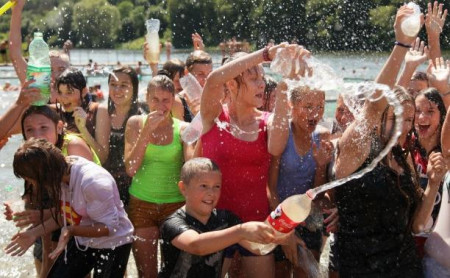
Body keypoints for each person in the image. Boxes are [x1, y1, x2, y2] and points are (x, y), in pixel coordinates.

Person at [334, 6, 447, 277]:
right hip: (360, 267)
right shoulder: (357, 147)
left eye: (409, 119)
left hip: (405, 266)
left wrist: (432, 184)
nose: (404, 125)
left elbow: (417, 225)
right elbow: (373, 108)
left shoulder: (402, 156)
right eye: (396, 116)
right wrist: (402, 45)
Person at [197, 42, 308, 277]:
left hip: (256, 226)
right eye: (254, 78)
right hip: (213, 225)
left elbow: (276, 147)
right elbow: (213, 80)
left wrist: (287, 81)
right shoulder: (213, 117)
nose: (262, 84)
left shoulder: (267, 121)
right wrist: (265, 55)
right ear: (231, 84)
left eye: (263, 77)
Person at [5, 138, 134, 278]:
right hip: (84, 239)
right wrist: (33, 233)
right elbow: (64, 216)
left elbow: (110, 228)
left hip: (114, 244)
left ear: (45, 175)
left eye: (31, 180)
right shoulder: (61, 174)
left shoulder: (94, 182)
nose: (32, 186)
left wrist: (71, 230)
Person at [159, 157, 288, 278]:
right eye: (203, 186)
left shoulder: (226, 219)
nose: (211, 193)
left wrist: (277, 233)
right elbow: (196, 245)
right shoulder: (173, 222)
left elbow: (257, 248)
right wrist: (241, 231)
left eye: (217, 187)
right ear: (183, 188)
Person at [124, 75, 193, 277]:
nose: (160, 105)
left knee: (175, 272)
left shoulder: (183, 129)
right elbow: (131, 169)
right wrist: (146, 132)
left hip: (175, 205)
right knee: (147, 274)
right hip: (141, 204)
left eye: (166, 100)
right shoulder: (135, 123)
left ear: (173, 100)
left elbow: (191, 167)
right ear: (146, 98)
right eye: (155, 99)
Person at [268, 85, 335, 277]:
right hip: (278, 215)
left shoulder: (321, 136)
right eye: (308, 106)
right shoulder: (282, 133)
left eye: (320, 107)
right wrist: (285, 230)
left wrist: (321, 166)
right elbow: (270, 188)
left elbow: (319, 195)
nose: (315, 113)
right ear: (292, 106)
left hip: (307, 219)